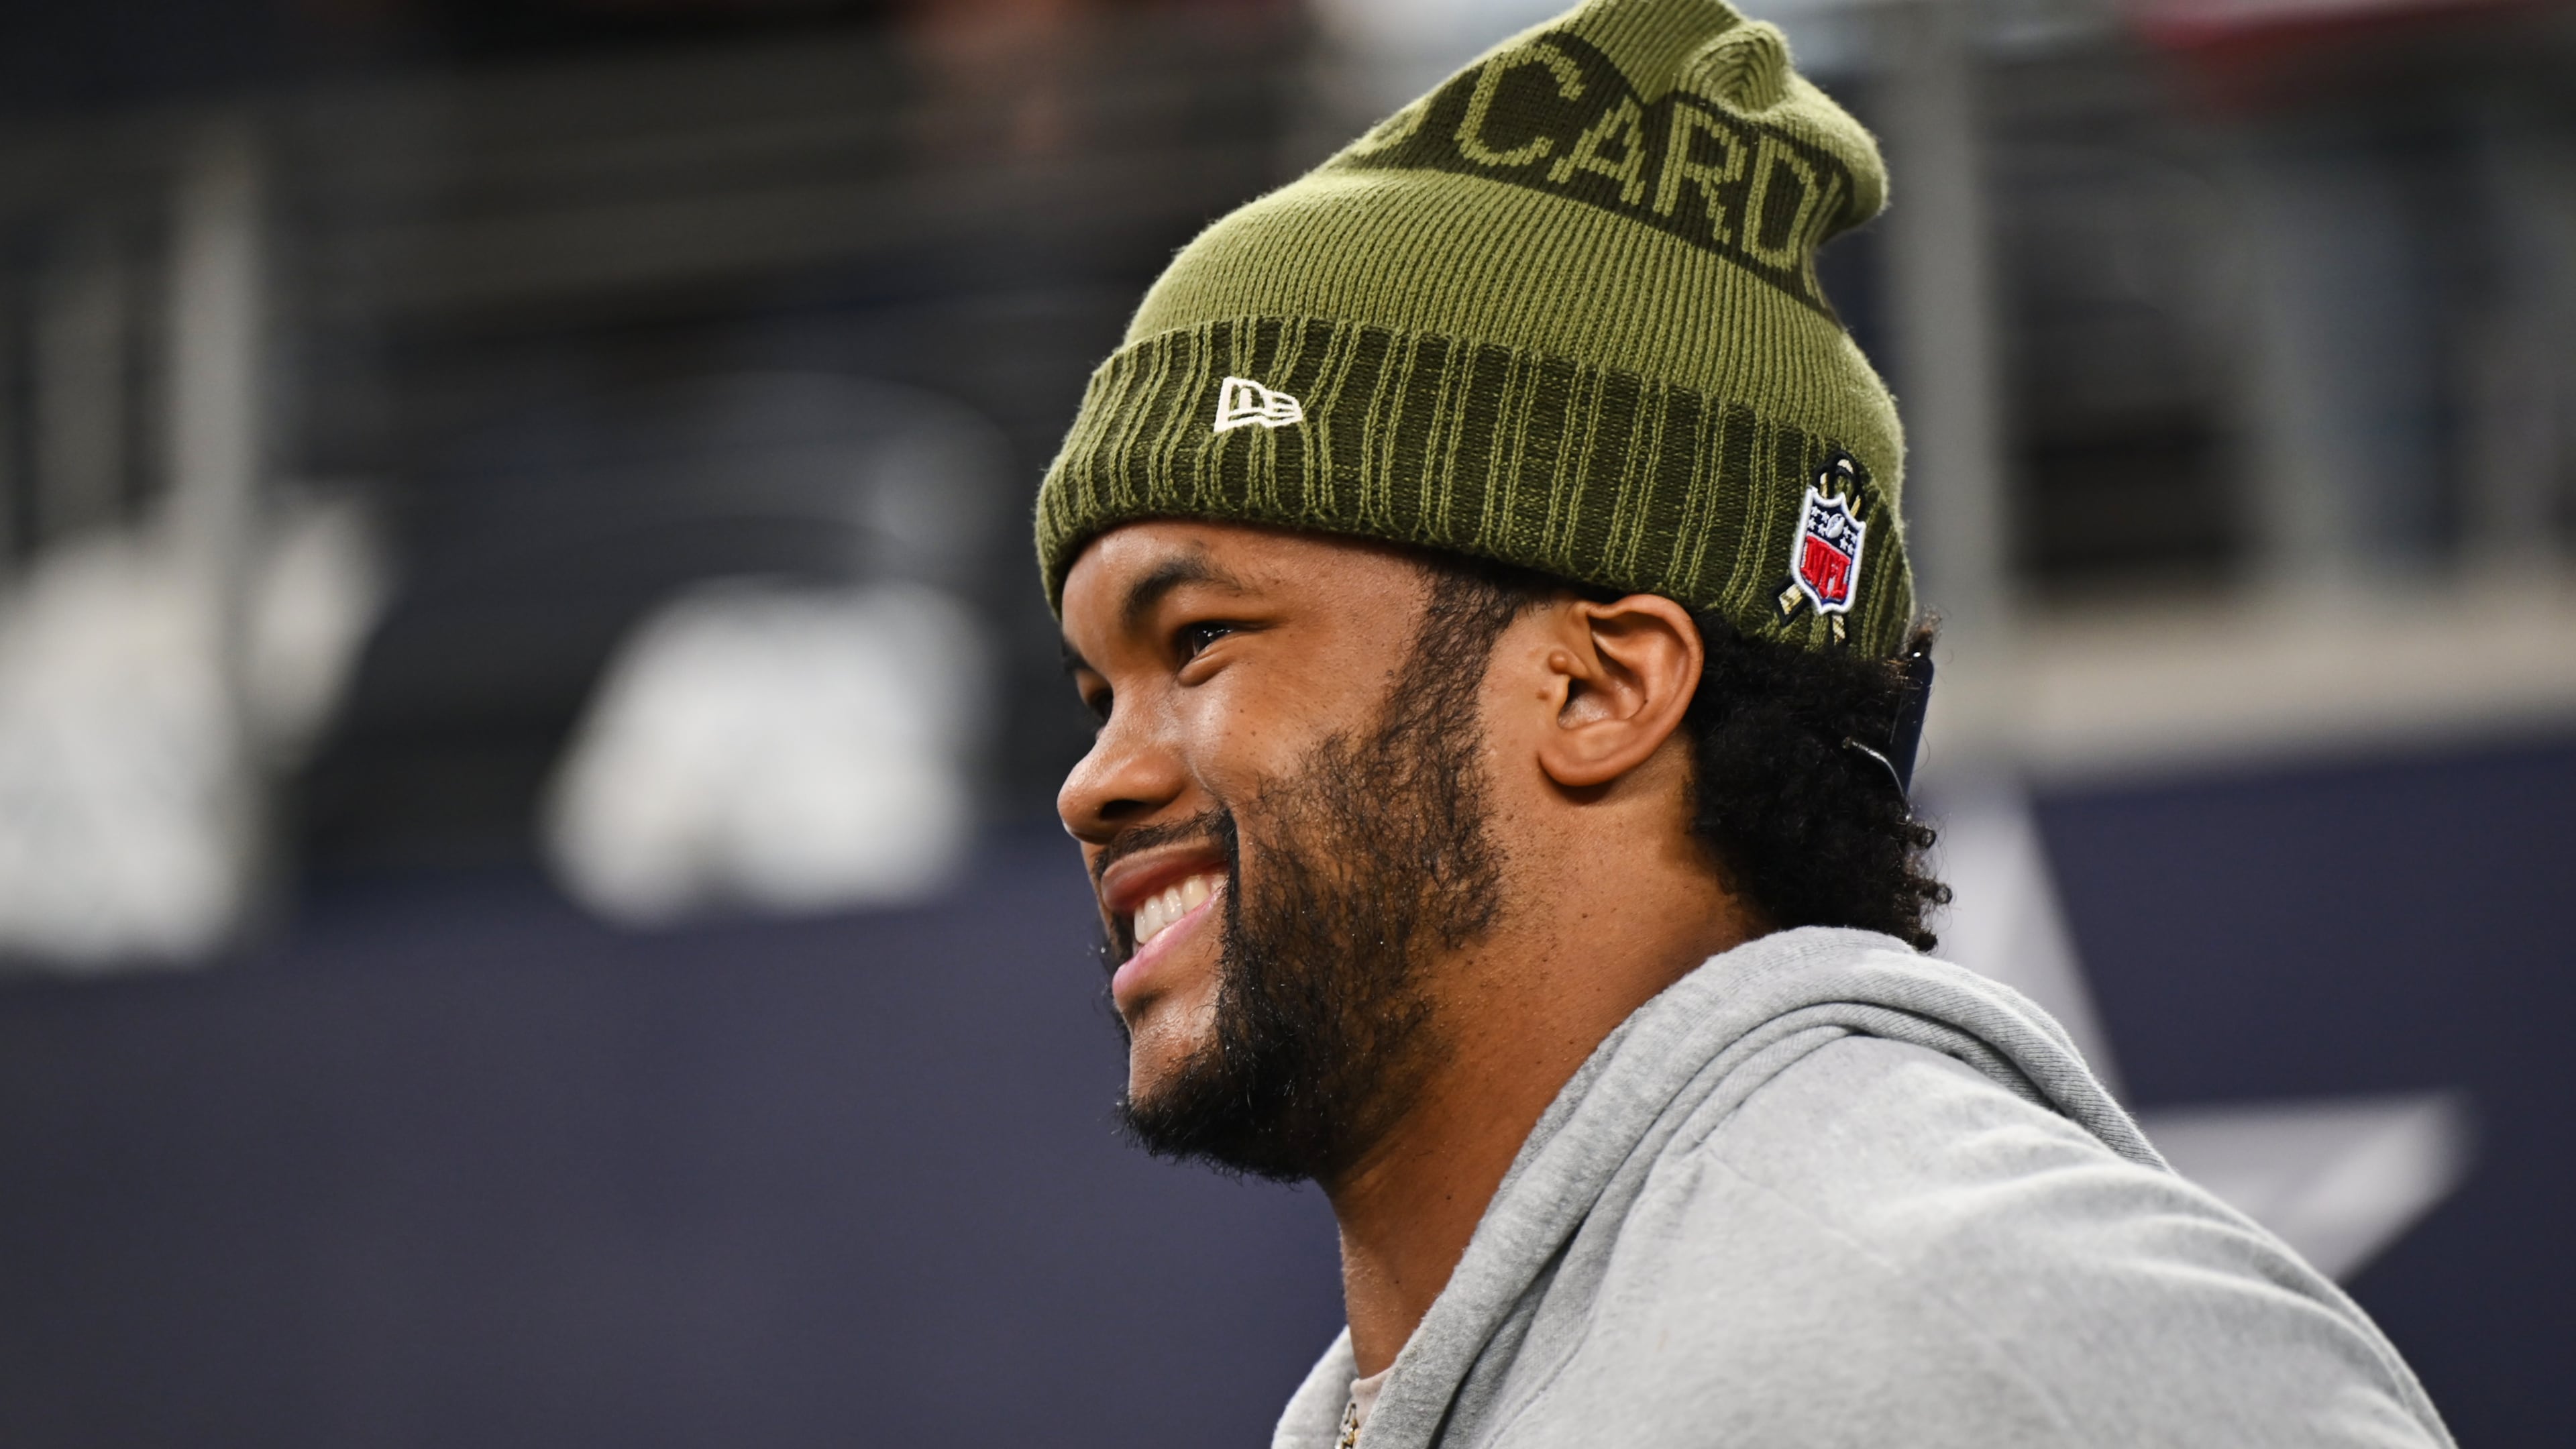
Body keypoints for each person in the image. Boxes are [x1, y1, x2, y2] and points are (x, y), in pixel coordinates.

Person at [1036, 1, 2454, 1444]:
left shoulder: (1995, 1328)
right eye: (1095, 693)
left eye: (1199, 640)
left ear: (1601, 686)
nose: (1094, 783)